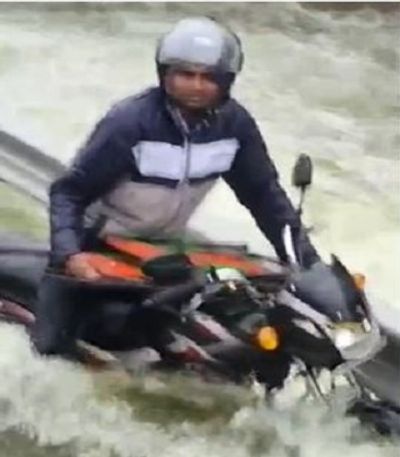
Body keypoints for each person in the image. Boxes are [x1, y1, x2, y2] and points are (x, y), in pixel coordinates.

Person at [33, 16, 319, 356]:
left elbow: (265, 197)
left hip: (160, 251)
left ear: (226, 81)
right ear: (164, 74)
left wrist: (310, 266)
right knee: (53, 352)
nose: (196, 86)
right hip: (95, 247)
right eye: (185, 74)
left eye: (208, 77)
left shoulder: (235, 126)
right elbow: (68, 192)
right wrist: (70, 254)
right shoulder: (130, 123)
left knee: (193, 342)